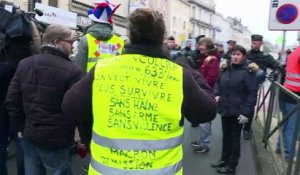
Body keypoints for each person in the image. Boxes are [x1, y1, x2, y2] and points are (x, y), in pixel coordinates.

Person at [62, 8, 217, 175]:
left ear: (131, 34)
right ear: (161, 37)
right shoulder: (178, 74)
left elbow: (70, 107)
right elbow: (206, 112)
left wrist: (88, 135)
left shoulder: (103, 69)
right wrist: (189, 70)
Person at [6, 24, 84, 175]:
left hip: (29, 135)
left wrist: (21, 127)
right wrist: (81, 138)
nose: (73, 47)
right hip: (57, 141)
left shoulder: (25, 63)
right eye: (70, 42)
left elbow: (12, 100)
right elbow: (77, 109)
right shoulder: (74, 71)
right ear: (57, 42)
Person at [212, 45, 259, 174]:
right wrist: (216, 94)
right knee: (226, 136)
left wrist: (246, 113)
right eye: (233, 54)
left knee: (234, 139)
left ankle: (231, 166)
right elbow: (218, 83)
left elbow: (252, 94)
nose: (235, 57)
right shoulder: (226, 69)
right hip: (225, 109)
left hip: (239, 111)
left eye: (238, 54)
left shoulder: (248, 73)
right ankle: (223, 159)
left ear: (243, 56)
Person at [243, 34, 281, 140]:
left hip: (254, 85)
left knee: (249, 107)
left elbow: (277, 67)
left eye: (255, 42)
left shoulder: (265, 56)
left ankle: (246, 129)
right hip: (242, 83)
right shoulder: (246, 54)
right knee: (240, 105)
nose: (252, 44)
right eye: (252, 42)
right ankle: (239, 124)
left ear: (260, 43)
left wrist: (275, 73)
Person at [75, 0, 124, 72]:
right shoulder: (120, 42)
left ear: (92, 21)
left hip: (90, 82)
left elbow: (79, 69)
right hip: (112, 82)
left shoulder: (86, 40)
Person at [191, 38, 219, 153]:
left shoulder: (212, 59)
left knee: (205, 119)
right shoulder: (205, 57)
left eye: (201, 45)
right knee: (203, 119)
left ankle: (204, 144)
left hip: (206, 92)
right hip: (203, 90)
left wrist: (200, 86)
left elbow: (211, 77)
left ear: (208, 46)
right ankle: (202, 141)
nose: (199, 47)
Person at [276, 46, 300, 160]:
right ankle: (288, 154)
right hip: (296, 94)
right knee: (292, 126)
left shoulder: (294, 52)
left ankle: (279, 147)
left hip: (286, 92)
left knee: (286, 124)